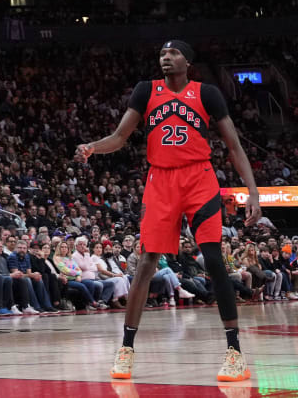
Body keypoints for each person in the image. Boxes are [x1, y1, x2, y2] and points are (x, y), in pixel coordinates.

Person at [78, 40, 261, 383]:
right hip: (159, 181)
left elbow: (234, 146)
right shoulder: (146, 91)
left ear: (188, 62)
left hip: (199, 178)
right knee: (147, 260)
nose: (166, 57)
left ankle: (235, 352)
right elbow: (120, 136)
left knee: (214, 259)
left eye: (173, 53)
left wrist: (253, 192)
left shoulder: (207, 94)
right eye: (162, 53)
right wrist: (93, 147)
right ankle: (126, 348)